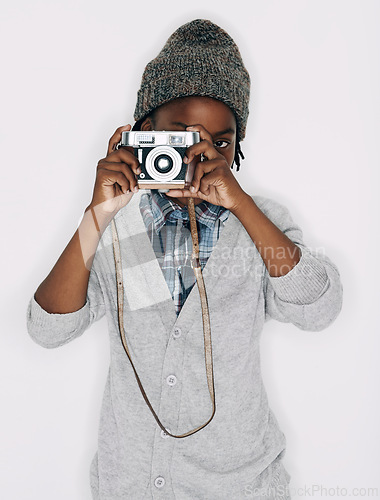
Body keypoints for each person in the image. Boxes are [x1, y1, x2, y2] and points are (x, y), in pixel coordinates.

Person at [27, 19, 343, 500]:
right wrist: (97, 215)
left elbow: (319, 308)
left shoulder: (261, 223)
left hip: (239, 485)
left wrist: (241, 204)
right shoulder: (116, 227)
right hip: (129, 486)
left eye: (220, 141)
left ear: (238, 148)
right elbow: (48, 330)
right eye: (181, 138)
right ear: (142, 133)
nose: (200, 155)